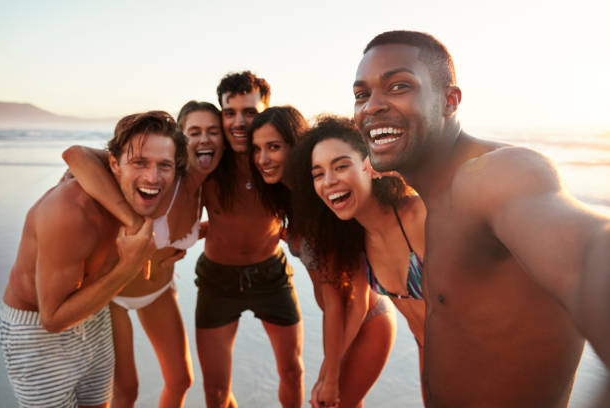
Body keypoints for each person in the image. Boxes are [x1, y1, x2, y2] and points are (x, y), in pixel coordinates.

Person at [353, 30, 610, 407]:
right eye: (362, 94)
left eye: (398, 86)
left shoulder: (495, 175)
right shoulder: (436, 187)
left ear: (449, 101)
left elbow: (594, 254)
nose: (371, 106)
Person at [0, 110, 181, 407]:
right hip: (37, 333)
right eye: (139, 162)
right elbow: (53, 319)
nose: (153, 176)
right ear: (113, 164)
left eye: (164, 165)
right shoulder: (70, 211)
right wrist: (130, 265)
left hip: (94, 316)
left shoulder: (147, 194)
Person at [61, 101, 225, 408]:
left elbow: (195, 227)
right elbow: (76, 156)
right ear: (179, 140)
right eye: (194, 132)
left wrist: (193, 237)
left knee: (180, 381)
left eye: (213, 132)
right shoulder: (156, 176)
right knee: (126, 391)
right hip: (113, 297)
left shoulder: (207, 187)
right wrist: (135, 223)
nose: (204, 140)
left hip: (159, 291)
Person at [248, 108, 397, 408]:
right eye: (257, 149)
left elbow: (353, 299)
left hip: (366, 324)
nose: (263, 158)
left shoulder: (324, 207)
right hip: (343, 327)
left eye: (274, 147)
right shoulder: (297, 201)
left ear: (298, 148)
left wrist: (330, 372)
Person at [287, 115, 427, 404]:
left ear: (370, 165)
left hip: (482, 355)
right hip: (430, 357)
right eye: (318, 173)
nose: (329, 181)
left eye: (341, 166)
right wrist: (329, 376)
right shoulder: (357, 241)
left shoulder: (417, 214)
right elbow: (352, 304)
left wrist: (405, 172)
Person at [195, 72, 303, 408]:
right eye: (230, 113)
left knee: (293, 372)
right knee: (215, 391)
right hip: (217, 280)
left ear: (267, 111)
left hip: (270, 276)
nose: (239, 122)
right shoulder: (209, 162)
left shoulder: (279, 159)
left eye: (250, 112)